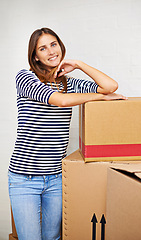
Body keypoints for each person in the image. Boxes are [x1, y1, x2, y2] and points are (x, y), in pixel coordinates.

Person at [8, 27, 127, 240]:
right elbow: (60, 100)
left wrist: (79, 64)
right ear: (35, 56)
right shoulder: (26, 78)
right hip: (25, 179)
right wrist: (98, 98)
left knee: (53, 238)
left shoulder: (70, 84)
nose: (50, 51)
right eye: (42, 48)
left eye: (53, 44)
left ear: (60, 46)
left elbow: (111, 86)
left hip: (55, 177)